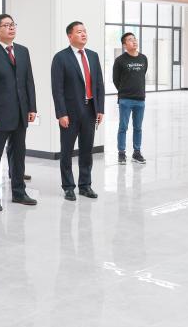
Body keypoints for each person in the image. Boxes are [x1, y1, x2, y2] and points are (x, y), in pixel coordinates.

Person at [0, 14, 37, 211]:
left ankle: (19, 192)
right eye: (7, 25)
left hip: (20, 112)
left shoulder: (23, 51)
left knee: (18, 154)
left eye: (13, 24)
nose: (11, 28)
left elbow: (28, 81)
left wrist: (32, 108)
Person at [51, 21, 105, 201]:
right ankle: (68, 187)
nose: (83, 34)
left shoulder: (93, 56)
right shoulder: (61, 58)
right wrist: (61, 113)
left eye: (85, 31)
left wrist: (100, 109)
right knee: (67, 151)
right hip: (70, 112)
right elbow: (57, 89)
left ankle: (85, 185)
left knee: (87, 150)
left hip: (90, 109)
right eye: (79, 31)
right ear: (70, 36)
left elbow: (99, 84)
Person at [112, 32, 147, 165]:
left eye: (135, 39)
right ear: (124, 44)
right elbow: (115, 79)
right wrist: (124, 91)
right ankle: (121, 153)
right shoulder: (120, 60)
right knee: (123, 127)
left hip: (140, 99)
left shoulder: (143, 58)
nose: (134, 41)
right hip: (125, 99)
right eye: (130, 39)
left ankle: (136, 153)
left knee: (138, 127)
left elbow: (142, 74)